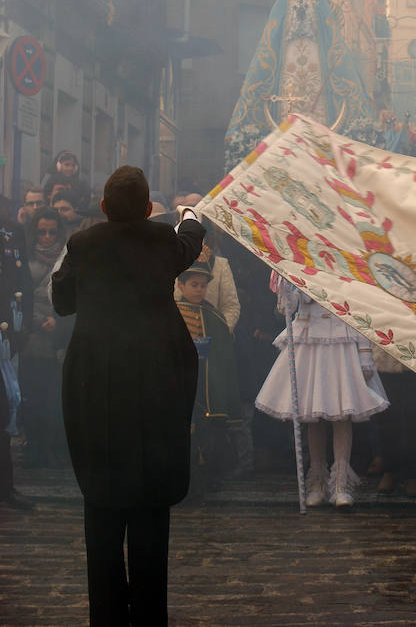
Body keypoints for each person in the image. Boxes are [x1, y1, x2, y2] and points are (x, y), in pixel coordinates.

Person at [51, 165, 204, 627]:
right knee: (151, 515)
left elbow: (62, 302)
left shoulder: (83, 244)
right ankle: (150, 616)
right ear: (146, 208)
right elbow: (190, 241)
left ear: (102, 206)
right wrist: (191, 214)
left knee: (101, 510)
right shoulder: (161, 240)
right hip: (156, 382)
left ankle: (107, 617)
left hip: (97, 384)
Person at [225, 0, 375, 168]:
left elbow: (329, 31)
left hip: (316, 55)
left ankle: (317, 138)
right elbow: (273, 32)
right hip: (289, 57)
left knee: (316, 93)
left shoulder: (319, 1)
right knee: (288, 96)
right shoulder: (282, 3)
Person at [256, 277, 389, 509]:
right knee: (312, 415)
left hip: (342, 338)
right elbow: (287, 307)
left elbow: (359, 308)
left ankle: (340, 485)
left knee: (341, 413)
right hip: (309, 337)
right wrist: (286, 284)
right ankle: (317, 480)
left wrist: (365, 353)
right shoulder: (298, 261)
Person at [176, 260, 240, 495]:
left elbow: (223, 352)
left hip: (208, 383)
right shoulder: (170, 312)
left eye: (203, 286)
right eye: (194, 285)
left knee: (211, 431)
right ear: (181, 286)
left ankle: (210, 477)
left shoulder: (214, 316)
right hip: (180, 381)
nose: (200, 290)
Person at [20, 207, 67, 468]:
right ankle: (34, 447)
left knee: (54, 399)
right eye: (41, 232)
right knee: (32, 396)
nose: (47, 237)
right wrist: (39, 321)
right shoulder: (25, 259)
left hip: (58, 337)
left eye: (51, 232)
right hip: (33, 337)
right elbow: (20, 296)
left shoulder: (67, 257)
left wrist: (58, 321)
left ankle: (49, 448)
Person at [0, 200, 34, 509]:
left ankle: (5, 487)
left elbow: (22, 282)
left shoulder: (11, 231)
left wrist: (24, 324)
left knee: (6, 404)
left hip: (5, 330)